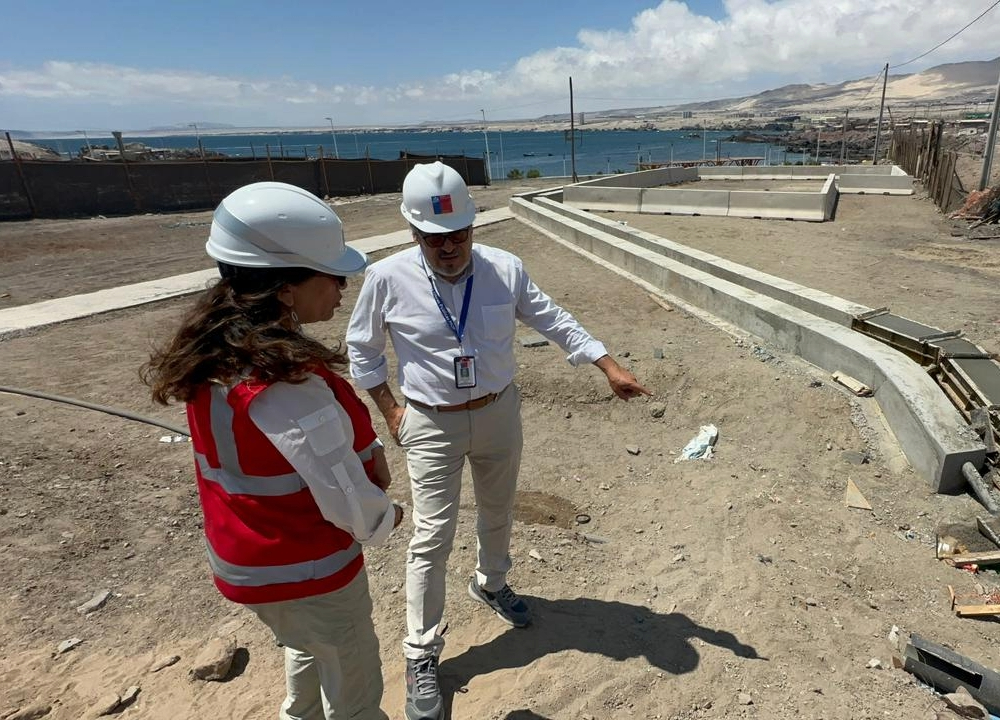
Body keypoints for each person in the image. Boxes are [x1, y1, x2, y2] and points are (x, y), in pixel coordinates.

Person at [346, 162, 650, 720]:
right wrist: (390, 411)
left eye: (458, 234)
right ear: (413, 231)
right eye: (434, 238)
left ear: (473, 225)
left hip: (497, 412)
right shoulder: (386, 278)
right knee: (432, 537)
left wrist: (607, 364)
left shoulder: (504, 269)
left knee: (498, 508)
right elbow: (362, 351)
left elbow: (553, 319)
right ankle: (421, 653)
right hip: (430, 422)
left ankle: (491, 583)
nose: (448, 247)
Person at [143, 181, 403, 720]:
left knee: (307, 645)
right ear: (285, 289)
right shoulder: (284, 385)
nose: (342, 287)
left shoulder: (217, 352)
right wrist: (384, 517)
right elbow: (341, 489)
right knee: (354, 689)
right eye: (331, 275)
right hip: (307, 567)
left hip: (250, 563)